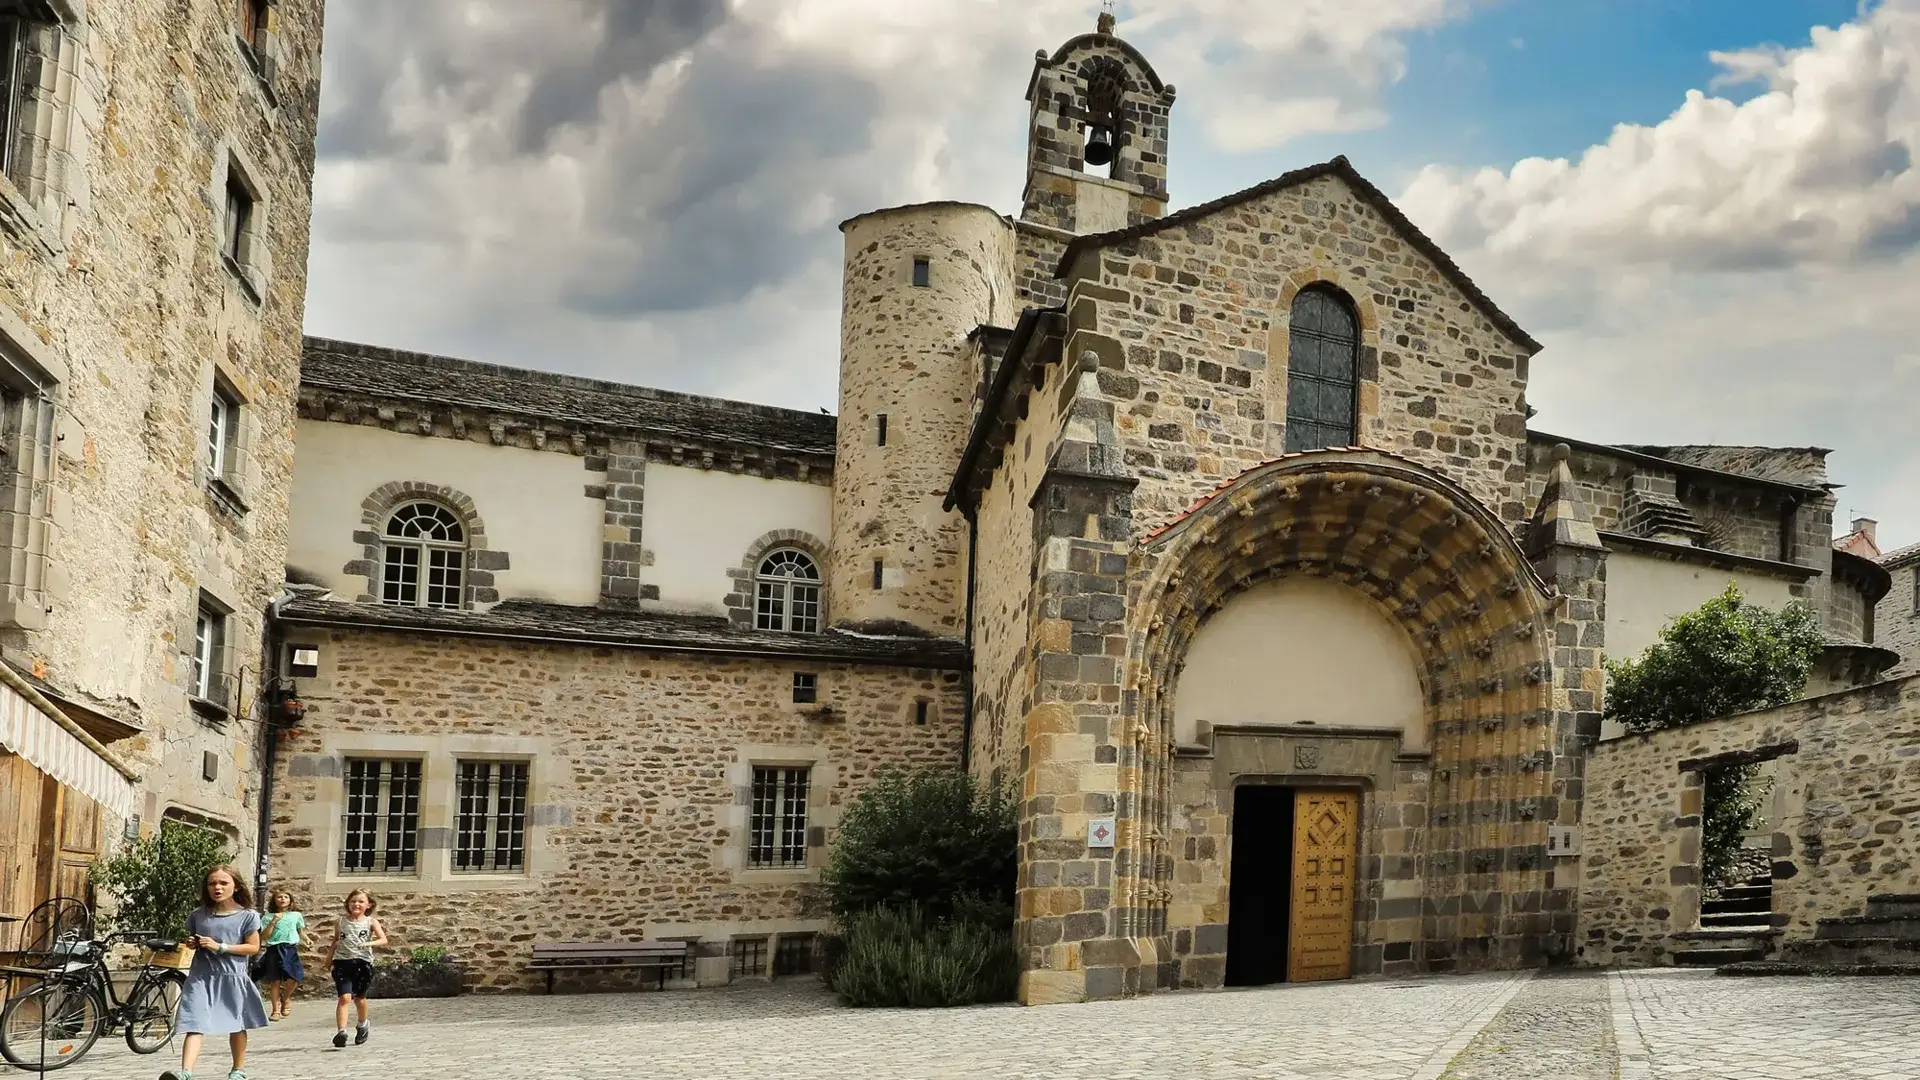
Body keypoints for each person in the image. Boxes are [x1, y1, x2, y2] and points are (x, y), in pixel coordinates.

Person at [162, 866, 268, 1080]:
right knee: (194, 1022)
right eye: (212, 883)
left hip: (231, 976)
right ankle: (185, 1073)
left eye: (223, 883)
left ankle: (238, 1070)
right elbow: (195, 941)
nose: (217, 887)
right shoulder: (198, 916)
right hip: (200, 976)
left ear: (235, 886)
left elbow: (253, 948)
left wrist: (220, 947)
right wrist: (193, 943)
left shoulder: (248, 916)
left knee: (237, 1023)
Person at [321, 889, 388, 1048]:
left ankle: (363, 1024)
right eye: (353, 901)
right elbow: (336, 941)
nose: (356, 904)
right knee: (344, 997)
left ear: (368, 905)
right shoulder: (340, 922)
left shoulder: (371, 922)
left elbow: (383, 939)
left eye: (360, 901)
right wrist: (328, 960)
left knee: (359, 998)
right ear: (348, 904)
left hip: (362, 963)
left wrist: (368, 944)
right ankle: (341, 1032)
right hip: (342, 962)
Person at [256, 890, 306, 1021]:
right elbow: (264, 936)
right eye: (279, 897)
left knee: (294, 977)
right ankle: (275, 1010)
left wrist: (307, 940)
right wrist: (273, 922)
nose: (282, 899)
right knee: (275, 981)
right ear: (274, 900)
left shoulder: (296, 915)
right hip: (274, 949)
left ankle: (286, 998)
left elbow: (300, 931)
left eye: (286, 897)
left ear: (290, 900)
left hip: (290, 949)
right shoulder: (267, 917)